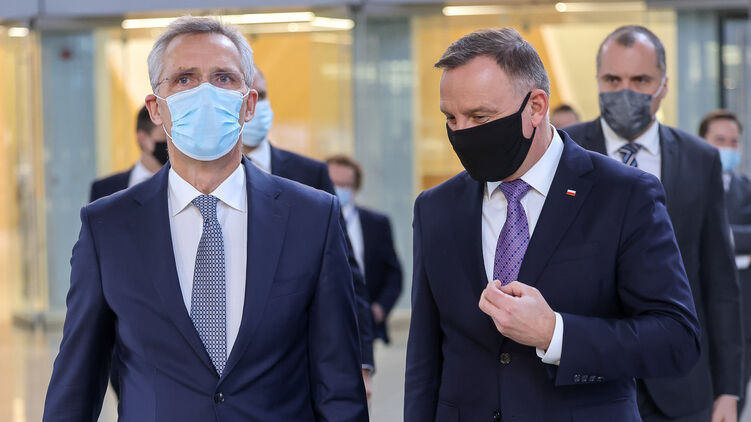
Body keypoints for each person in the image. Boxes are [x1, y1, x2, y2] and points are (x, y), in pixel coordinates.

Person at [43, 16, 368, 421]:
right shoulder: (107, 227)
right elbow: (77, 383)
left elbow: (338, 386)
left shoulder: (312, 218)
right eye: (184, 79)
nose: (205, 93)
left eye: (223, 78)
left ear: (249, 104)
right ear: (155, 109)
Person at [404, 27, 700, 422]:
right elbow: (424, 360)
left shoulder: (624, 194)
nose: (462, 133)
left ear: (536, 107)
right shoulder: (435, 207)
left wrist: (555, 333)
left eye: (480, 116)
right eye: (451, 118)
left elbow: (675, 339)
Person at [564, 25, 743, 422]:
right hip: (586, 382)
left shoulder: (700, 159)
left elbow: (719, 282)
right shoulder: (561, 151)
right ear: (598, 80)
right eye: (613, 80)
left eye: (640, 80)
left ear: (663, 85)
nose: (625, 91)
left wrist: (729, 389)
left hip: (681, 384)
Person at [240, 66, 376, 396]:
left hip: (298, 370)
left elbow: (346, 274)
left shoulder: (309, 174)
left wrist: (361, 362)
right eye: (244, 95)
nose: (255, 104)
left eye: (262, 94)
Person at [699, 109, 751, 416]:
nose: (728, 148)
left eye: (734, 142)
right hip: (696, 314)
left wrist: (721, 236)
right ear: (702, 141)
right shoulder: (686, 185)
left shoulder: (746, 188)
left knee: (732, 403)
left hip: (742, 318)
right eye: (720, 140)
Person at [326, 154, 403, 344]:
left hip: (363, 323)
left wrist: (380, 309)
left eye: (345, 185)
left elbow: (394, 273)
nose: (338, 189)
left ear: (356, 188)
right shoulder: (310, 220)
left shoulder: (377, 223)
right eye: (333, 183)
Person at [89, 105, 168, 202]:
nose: (171, 142)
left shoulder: (183, 184)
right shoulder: (103, 189)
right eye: (165, 136)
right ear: (143, 139)